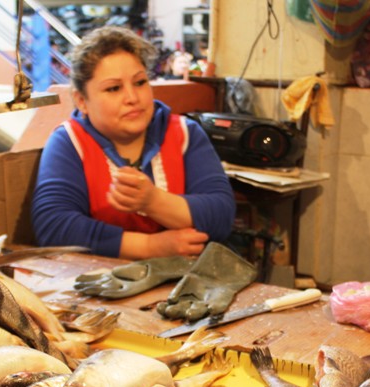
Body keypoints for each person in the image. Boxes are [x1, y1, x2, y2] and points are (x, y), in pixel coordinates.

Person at [31, 26, 235, 259]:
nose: (132, 98)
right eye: (114, 88)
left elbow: (221, 214)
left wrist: (153, 201)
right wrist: (151, 247)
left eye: (139, 83)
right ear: (81, 101)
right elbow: (54, 227)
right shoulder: (70, 143)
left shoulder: (185, 134)